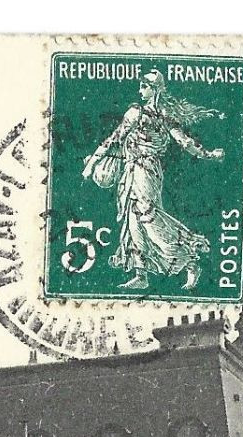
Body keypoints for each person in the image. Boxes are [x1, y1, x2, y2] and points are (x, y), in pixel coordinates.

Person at [80, 69, 226, 291]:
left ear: (155, 89)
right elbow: (114, 139)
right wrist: (91, 165)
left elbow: (185, 142)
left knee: (148, 216)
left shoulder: (163, 116)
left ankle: (188, 259)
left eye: (144, 86)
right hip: (131, 171)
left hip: (148, 172)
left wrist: (208, 154)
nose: (140, 90)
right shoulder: (134, 113)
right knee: (133, 220)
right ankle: (141, 274)